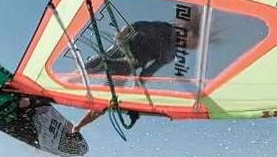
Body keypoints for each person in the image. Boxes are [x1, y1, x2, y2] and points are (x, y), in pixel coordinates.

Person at [70, 13, 205, 135]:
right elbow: (141, 26)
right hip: (119, 51)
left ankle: (77, 127)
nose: (192, 46)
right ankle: (53, 89)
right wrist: (125, 31)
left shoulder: (171, 54)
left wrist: (135, 97)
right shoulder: (167, 29)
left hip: (126, 67)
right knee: (84, 71)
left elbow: (147, 73)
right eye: (194, 42)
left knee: (105, 102)